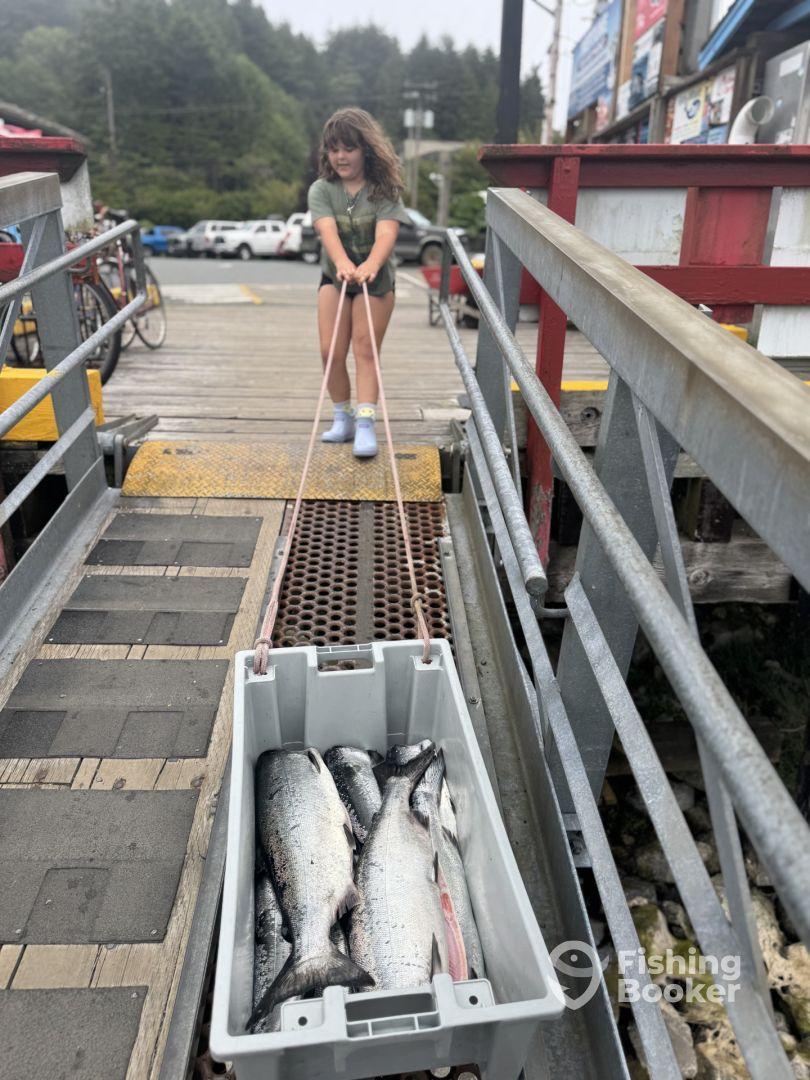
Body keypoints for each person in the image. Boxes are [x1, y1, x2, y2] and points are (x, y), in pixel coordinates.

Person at [308, 107, 411, 458]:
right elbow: (327, 230)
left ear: (365, 149)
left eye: (348, 148)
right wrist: (342, 263)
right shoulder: (321, 190)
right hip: (335, 277)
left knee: (365, 349)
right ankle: (343, 417)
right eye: (334, 149)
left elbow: (386, 234)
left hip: (376, 280)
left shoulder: (385, 190)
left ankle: (366, 423)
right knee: (330, 350)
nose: (340, 156)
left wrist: (369, 265)